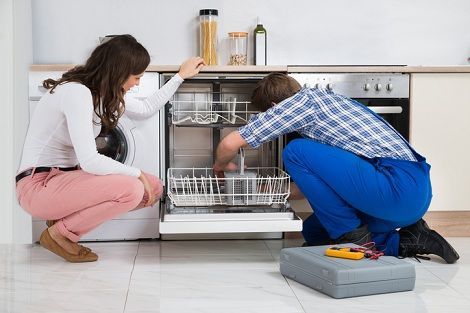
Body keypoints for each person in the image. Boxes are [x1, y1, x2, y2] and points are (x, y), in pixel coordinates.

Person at [213, 73, 460, 263]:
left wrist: (220, 167)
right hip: (413, 196)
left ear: (277, 106)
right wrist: (261, 189)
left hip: (397, 188)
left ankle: (356, 241)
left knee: (295, 150)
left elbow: (229, 142)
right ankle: (412, 240)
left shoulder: (301, 104)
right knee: (315, 232)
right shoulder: (327, 105)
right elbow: (310, 186)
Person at [16, 34, 204, 262]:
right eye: (136, 77)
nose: (137, 83)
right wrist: (137, 173)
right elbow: (90, 160)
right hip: (38, 186)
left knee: (153, 188)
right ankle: (60, 235)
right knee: (133, 189)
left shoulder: (101, 94)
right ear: (119, 72)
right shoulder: (77, 92)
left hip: (63, 180)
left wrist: (180, 76)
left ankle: (62, 221)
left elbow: (145, 107)